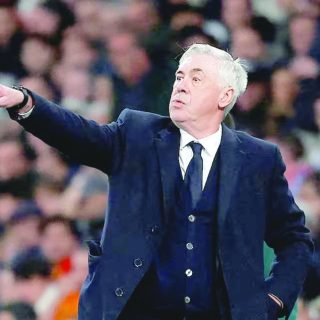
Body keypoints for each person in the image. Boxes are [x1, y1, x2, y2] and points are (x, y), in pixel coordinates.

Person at [0, 43, 313, 320]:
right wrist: (25, 103)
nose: (181, 85)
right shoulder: (136, 133)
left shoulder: (258, 159)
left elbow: (294, 239)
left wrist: (274, 299)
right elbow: (79, 134)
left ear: (225, 96)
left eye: (196, 78)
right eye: (179, 76)